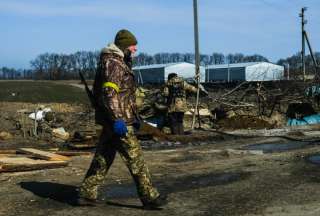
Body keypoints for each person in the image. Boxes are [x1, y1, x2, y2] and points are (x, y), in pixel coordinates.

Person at [77, 29, 167, 209]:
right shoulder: (114, 64)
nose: (135, 50)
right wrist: (118, 119)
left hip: (115, 119)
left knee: (103, 157)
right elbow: (110, 94)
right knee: (136, 159)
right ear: (124, 46)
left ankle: (87, 193)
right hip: (119, 121)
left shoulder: (117, 62)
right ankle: (150, 197)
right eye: (133, 46)